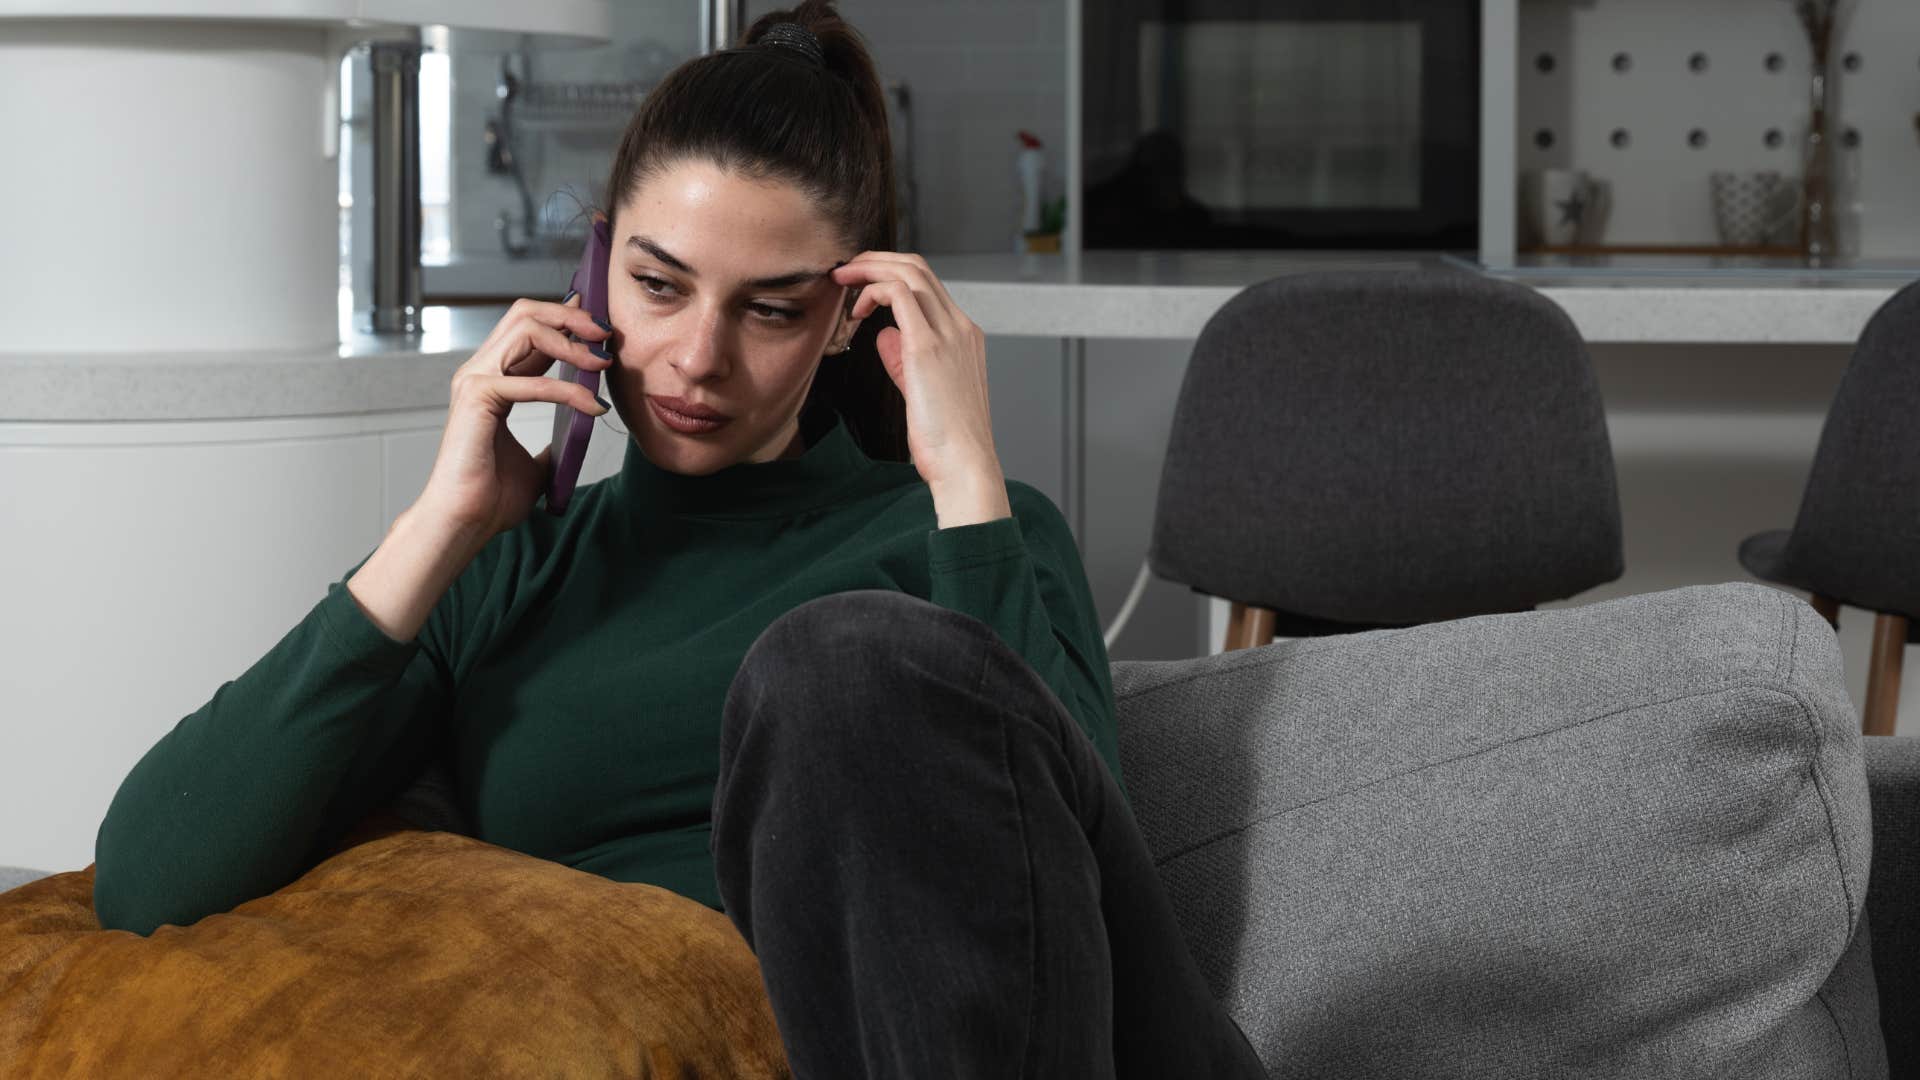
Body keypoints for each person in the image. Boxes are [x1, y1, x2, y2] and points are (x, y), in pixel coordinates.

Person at [90, 3, 1267, 1075]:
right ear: (596, 270)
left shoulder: (963, 532)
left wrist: (963, 473)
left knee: (832, 663)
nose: (700, 359)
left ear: (851, 318)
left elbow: (1081, 915)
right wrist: (440, 526)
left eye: (770, 309)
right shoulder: (515, 563)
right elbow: (152, 876)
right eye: (660, 287)